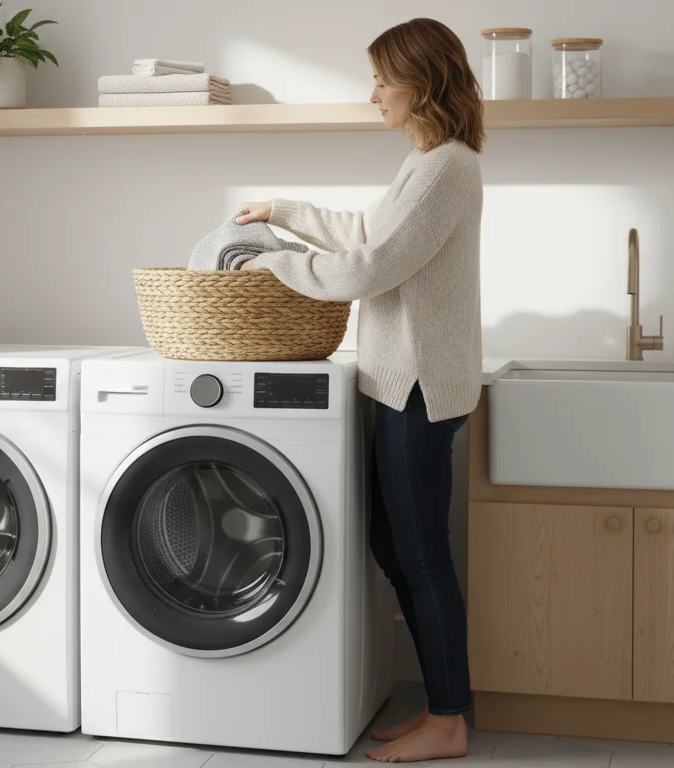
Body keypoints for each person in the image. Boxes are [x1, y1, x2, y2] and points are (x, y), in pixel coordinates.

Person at [236, 17, 484, 764]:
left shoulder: (447, 167)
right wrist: (281, 213)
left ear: (424, 83)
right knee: (394, 543)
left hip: (418, 387)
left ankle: (449, 720)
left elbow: (372, 268)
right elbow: (367, 232)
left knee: (420, 552)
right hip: (398, 379)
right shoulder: (427, 163)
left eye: (383, 78)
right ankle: (442, 711)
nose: (373, 93)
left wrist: (272, 267)